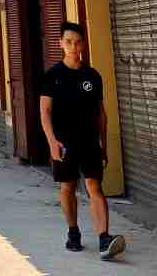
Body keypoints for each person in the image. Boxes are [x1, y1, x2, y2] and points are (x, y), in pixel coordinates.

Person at [39, 22, 126, 260]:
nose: (73, 46)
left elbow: (101, 113)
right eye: (68, 41)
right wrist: (52, 142)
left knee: (95, 187)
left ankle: (104, 238)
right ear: (60, 44)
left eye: (77, 42)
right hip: (64, 143)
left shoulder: (92, 76)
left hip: (89, 142)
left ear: (83, 44)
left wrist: (104, 146)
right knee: (67, 188)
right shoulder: (52, 76)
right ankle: (73, 232)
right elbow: (45, 112)